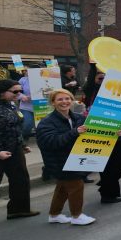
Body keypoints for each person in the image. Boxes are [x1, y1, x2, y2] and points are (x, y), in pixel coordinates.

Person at [36, 88, 94, 225]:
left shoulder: (79, 118)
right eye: (60, 99)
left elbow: (92, 132)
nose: (64, 102)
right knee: (76, 185)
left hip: (75, 158)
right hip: (58, 161)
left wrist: (114, 133)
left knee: (62, 188)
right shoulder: (46, 122)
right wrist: (74, 132)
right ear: (53, 102)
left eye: (67, 98)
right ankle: (77, 216)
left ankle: (54, 215)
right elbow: (51, 142)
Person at [0, 79, 38, 219]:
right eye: (15, 91)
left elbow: (16, 128)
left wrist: (22, 145)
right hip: (0, 152)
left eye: (20, 91)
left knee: (20, 180)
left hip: (14, 149)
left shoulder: (12, 105)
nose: (19, 94)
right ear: (2, 92)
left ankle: (18, 209)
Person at [17, 70, 34, 138]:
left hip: (42, 107)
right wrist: (22, 96)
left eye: (28, 70)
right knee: (27, 125)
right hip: (26, 107)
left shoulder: (45, 78)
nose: (26, 72)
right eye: (26, 71)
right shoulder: (23, 80)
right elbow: (15, 91)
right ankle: (23, 139)